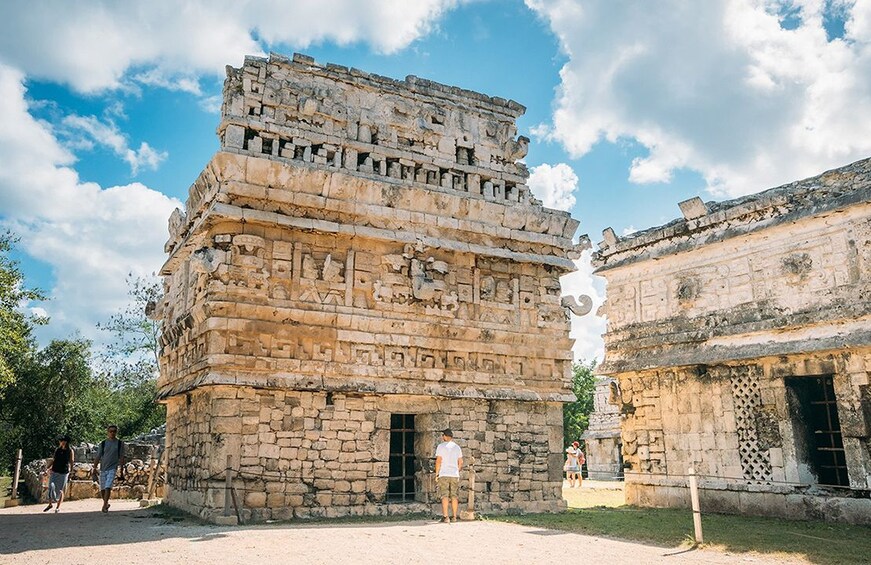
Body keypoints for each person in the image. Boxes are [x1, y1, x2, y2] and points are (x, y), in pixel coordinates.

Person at [93, 424, 125, 513]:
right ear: (108, 432)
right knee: (102, 489)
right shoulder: (103, 443)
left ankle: (104, 506)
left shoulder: (119, 443)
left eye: (114, 431)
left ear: (116, 432)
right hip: (103, 468)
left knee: (108, 487)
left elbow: (121, 457)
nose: (112, 433)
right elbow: (98, 456)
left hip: (113, 467)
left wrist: (121, 470)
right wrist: (94, 468)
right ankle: (106, 503)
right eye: (110, 431)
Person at [434, 428, 463, 523]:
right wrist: (456, 470)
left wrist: (437, 473)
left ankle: (446, 517)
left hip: (444, 473)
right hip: (454, 474)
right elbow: (460, 462)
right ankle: (454, 516)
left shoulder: (441, 447)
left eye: (443, 435)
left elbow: (438, 461)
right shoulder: (457, 447)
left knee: (444, 495)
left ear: (445, 436)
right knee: (454, 496)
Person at [43, 435, 74, 513]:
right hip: (54, 471)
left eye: (63, 441)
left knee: (60, 490)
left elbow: (71, 461)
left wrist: (71, 471)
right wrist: (47, 469)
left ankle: (58, 507)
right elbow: (54, 460)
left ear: (66, 442)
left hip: (64, 472)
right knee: (51, 486)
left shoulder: (70, 451)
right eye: (61, 441)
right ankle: (50, 504)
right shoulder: (57, 450)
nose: (62, 442)